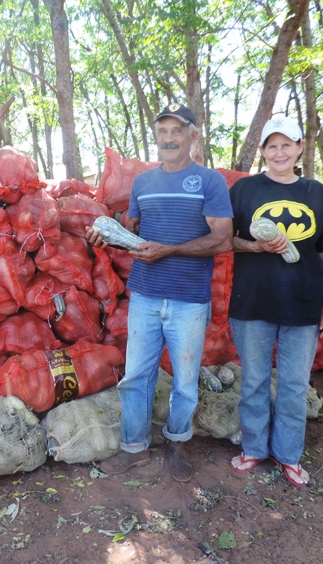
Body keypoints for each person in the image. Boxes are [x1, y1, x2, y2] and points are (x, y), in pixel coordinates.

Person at [86, 104, 233, 482]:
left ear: (192, 136)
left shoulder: (209, 181)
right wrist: (108, 235)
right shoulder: (143, 183)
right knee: (136, 376)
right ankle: (133, 448)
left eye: (177, 131)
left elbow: (222, 239)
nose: (168, 138)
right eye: (162, 131)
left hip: (188, 298)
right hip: (146, 295)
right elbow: (131, 233)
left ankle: (177, 443)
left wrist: (170, 249)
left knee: (184, 380)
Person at [227, 116, 323, 487]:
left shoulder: (315, 192)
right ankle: (255, 448)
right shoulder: (244, 191)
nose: (279, 152)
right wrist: (256, 245)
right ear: (262, 151)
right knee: (255, 381)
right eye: (272, 145)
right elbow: (226, 240)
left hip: (303, 302)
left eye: (286, 144)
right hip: (253, 300)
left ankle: (288, 455)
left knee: (293, 385)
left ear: (299, 147)